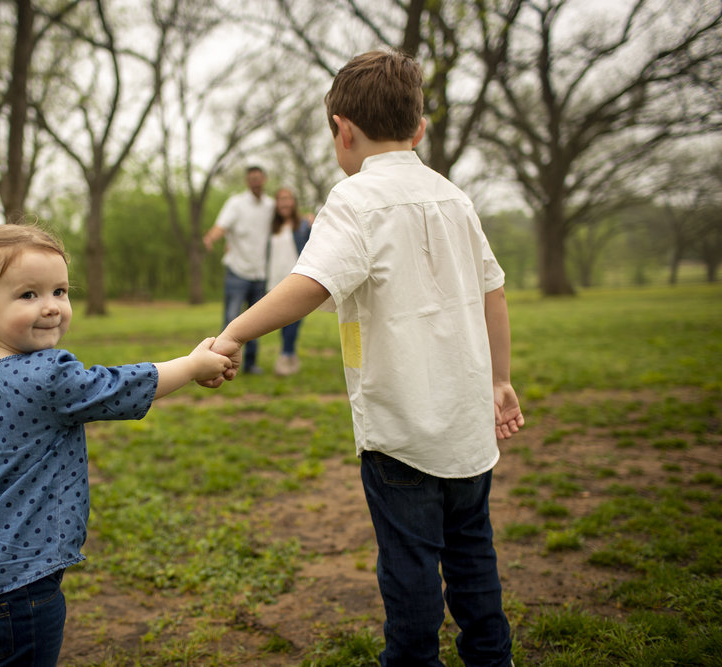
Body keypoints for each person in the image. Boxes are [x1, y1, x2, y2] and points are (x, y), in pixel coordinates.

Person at [205, 49, 524, 666]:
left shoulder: (353, 199)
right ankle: (492, 658)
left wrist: (235, 331)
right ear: (420, 129)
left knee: (408, 570)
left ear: (341, 129)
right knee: (473, 558)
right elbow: (494, 291)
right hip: (466, 429)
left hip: (400, 434)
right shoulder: (454, 198)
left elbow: (311, 284)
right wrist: (502, 380)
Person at [0, 223, 230, 667]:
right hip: (21, 585)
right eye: (28, 295)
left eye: (60, 291)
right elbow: (116, 387)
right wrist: (191, 365)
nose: (51, 307)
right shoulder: (44, 376)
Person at [202, 165, 275, 375]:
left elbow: (288, 219)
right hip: (237, 271)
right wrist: (210, 238)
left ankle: (251, 364)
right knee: (231, 319)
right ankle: (218, 365)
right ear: (247, 181)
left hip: (260, 273)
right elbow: (221, 226)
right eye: (251, 178)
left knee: (256, 323)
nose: (255, 182)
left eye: (258, 178)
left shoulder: (270, 206)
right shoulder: (236, 203)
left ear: (265, 180)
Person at [267, 187, 312, 376]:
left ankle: (286, 355)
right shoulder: (270, 227)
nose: (284, 203)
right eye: (280, 199)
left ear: (293, 202)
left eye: (287, 199)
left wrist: (314, 223)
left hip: (295, 279)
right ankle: (290, 354)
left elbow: (315, 244)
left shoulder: (302, 225)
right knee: (282, 320)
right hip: (274, 281)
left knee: (294, 320)